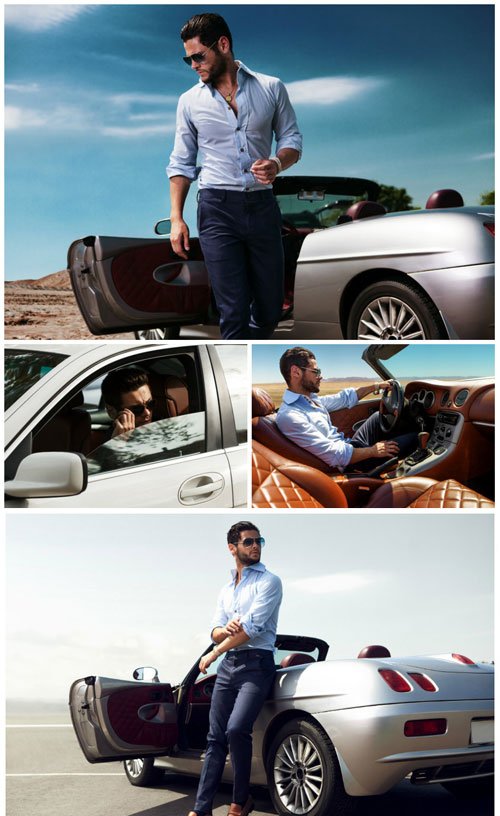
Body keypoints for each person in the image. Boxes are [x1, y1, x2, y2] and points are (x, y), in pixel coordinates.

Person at [167, 12, 302, 339]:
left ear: (223, 45)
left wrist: (277, 164)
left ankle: (250, 347)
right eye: (188, 60)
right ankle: (238, 372)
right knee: (233, 309)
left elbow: (292, 141)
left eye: (198, 56)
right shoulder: (188, 102)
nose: (193, 65)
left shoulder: (271, 88)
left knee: (271, 307)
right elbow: (182, 163)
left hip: (262, 207)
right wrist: (176, 218)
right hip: (216, 209)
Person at [171, 521, 281, 816]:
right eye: (248, 542)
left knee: (236, 730)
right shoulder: (226, 588)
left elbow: (252, 630)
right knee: (214, 740)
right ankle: (201, 812)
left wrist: (212, 653)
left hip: (257, 666)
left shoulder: (270, 582)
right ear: (232, 548)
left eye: (259, 541)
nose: (256, 546)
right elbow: (216, 628)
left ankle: (239, 802)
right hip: (230, 667)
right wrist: (224, 633)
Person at [276, 347, 419, 473]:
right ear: (296, 372)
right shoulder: (290, 416)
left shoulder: (310, 400)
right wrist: (373, 451)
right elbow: (335, 455)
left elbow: (344, 398)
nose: (321, 376)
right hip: (350, 464)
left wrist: (377, 386)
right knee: (415, 437)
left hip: (349, 445)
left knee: (377, 416)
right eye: (316, 371)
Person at [101, 367, 155, 438]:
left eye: (150, 404)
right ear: (112, 411)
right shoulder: (109, 444)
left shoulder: (164, 425)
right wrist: (120, 441)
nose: (147, 413)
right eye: (137, 409)